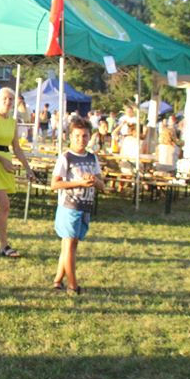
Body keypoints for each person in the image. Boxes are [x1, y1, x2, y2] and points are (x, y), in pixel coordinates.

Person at [0, 87, 36, 258]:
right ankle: (4, 245)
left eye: (11, 99)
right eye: (5, 98)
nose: (8, 102)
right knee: (4, 205)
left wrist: (27, 168)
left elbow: (16, 148)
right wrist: (2, 160)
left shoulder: (12, 122)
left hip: (5, 165)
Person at [51, 117, 105, 295]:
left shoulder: (92, 158)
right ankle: (73, 285)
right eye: (77, 136)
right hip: (69, 206)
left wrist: (94, 181)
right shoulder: (66, 157)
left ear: (89, 137)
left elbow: (102, 186)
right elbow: (55, 184)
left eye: (84, 136)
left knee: (70, 245)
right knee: (69, 245)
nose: (81, 139)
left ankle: (58, 279)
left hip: (85, 206)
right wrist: (79, 183)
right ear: (70, 136)